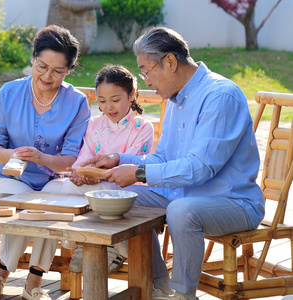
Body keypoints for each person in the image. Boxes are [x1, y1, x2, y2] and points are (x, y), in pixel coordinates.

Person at [79, 27, 264, 300]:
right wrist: (120, 160)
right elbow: (163, 158)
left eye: (146, 70)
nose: (146, 80)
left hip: (233, 202)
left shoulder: (220, 95)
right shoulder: (176, 100)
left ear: (169, 62)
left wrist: (139, 172)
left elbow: (200, 168)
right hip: (183, 195)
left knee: (181, 211)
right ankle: (157, 286)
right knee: (122, 197)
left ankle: (182, 294)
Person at [0, 25, 90, 300]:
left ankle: (33, 282)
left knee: (51, 203)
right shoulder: (9, 93)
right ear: (32, 58)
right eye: (42, 66)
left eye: (58, 71)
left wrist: (43, 159)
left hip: (52, 181)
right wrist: (13, 155)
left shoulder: (77, 102)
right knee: (21, 201)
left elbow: (70, 160)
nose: (47, 76)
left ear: (68, 70)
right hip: (11, 178)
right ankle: (0, 273)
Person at [58, 64, 154, 274]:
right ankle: (83, 240)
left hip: (123, 186)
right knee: (67, 188)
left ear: (131, 95)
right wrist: (80, 173)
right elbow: (85, 155)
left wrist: (100, 177)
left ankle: (115, 247)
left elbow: (135, 164)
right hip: (95, 185)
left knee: (115, 198)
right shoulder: (93, 124)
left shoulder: (142, 127)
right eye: (102, 101)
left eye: (115, 100)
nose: (108, 107)